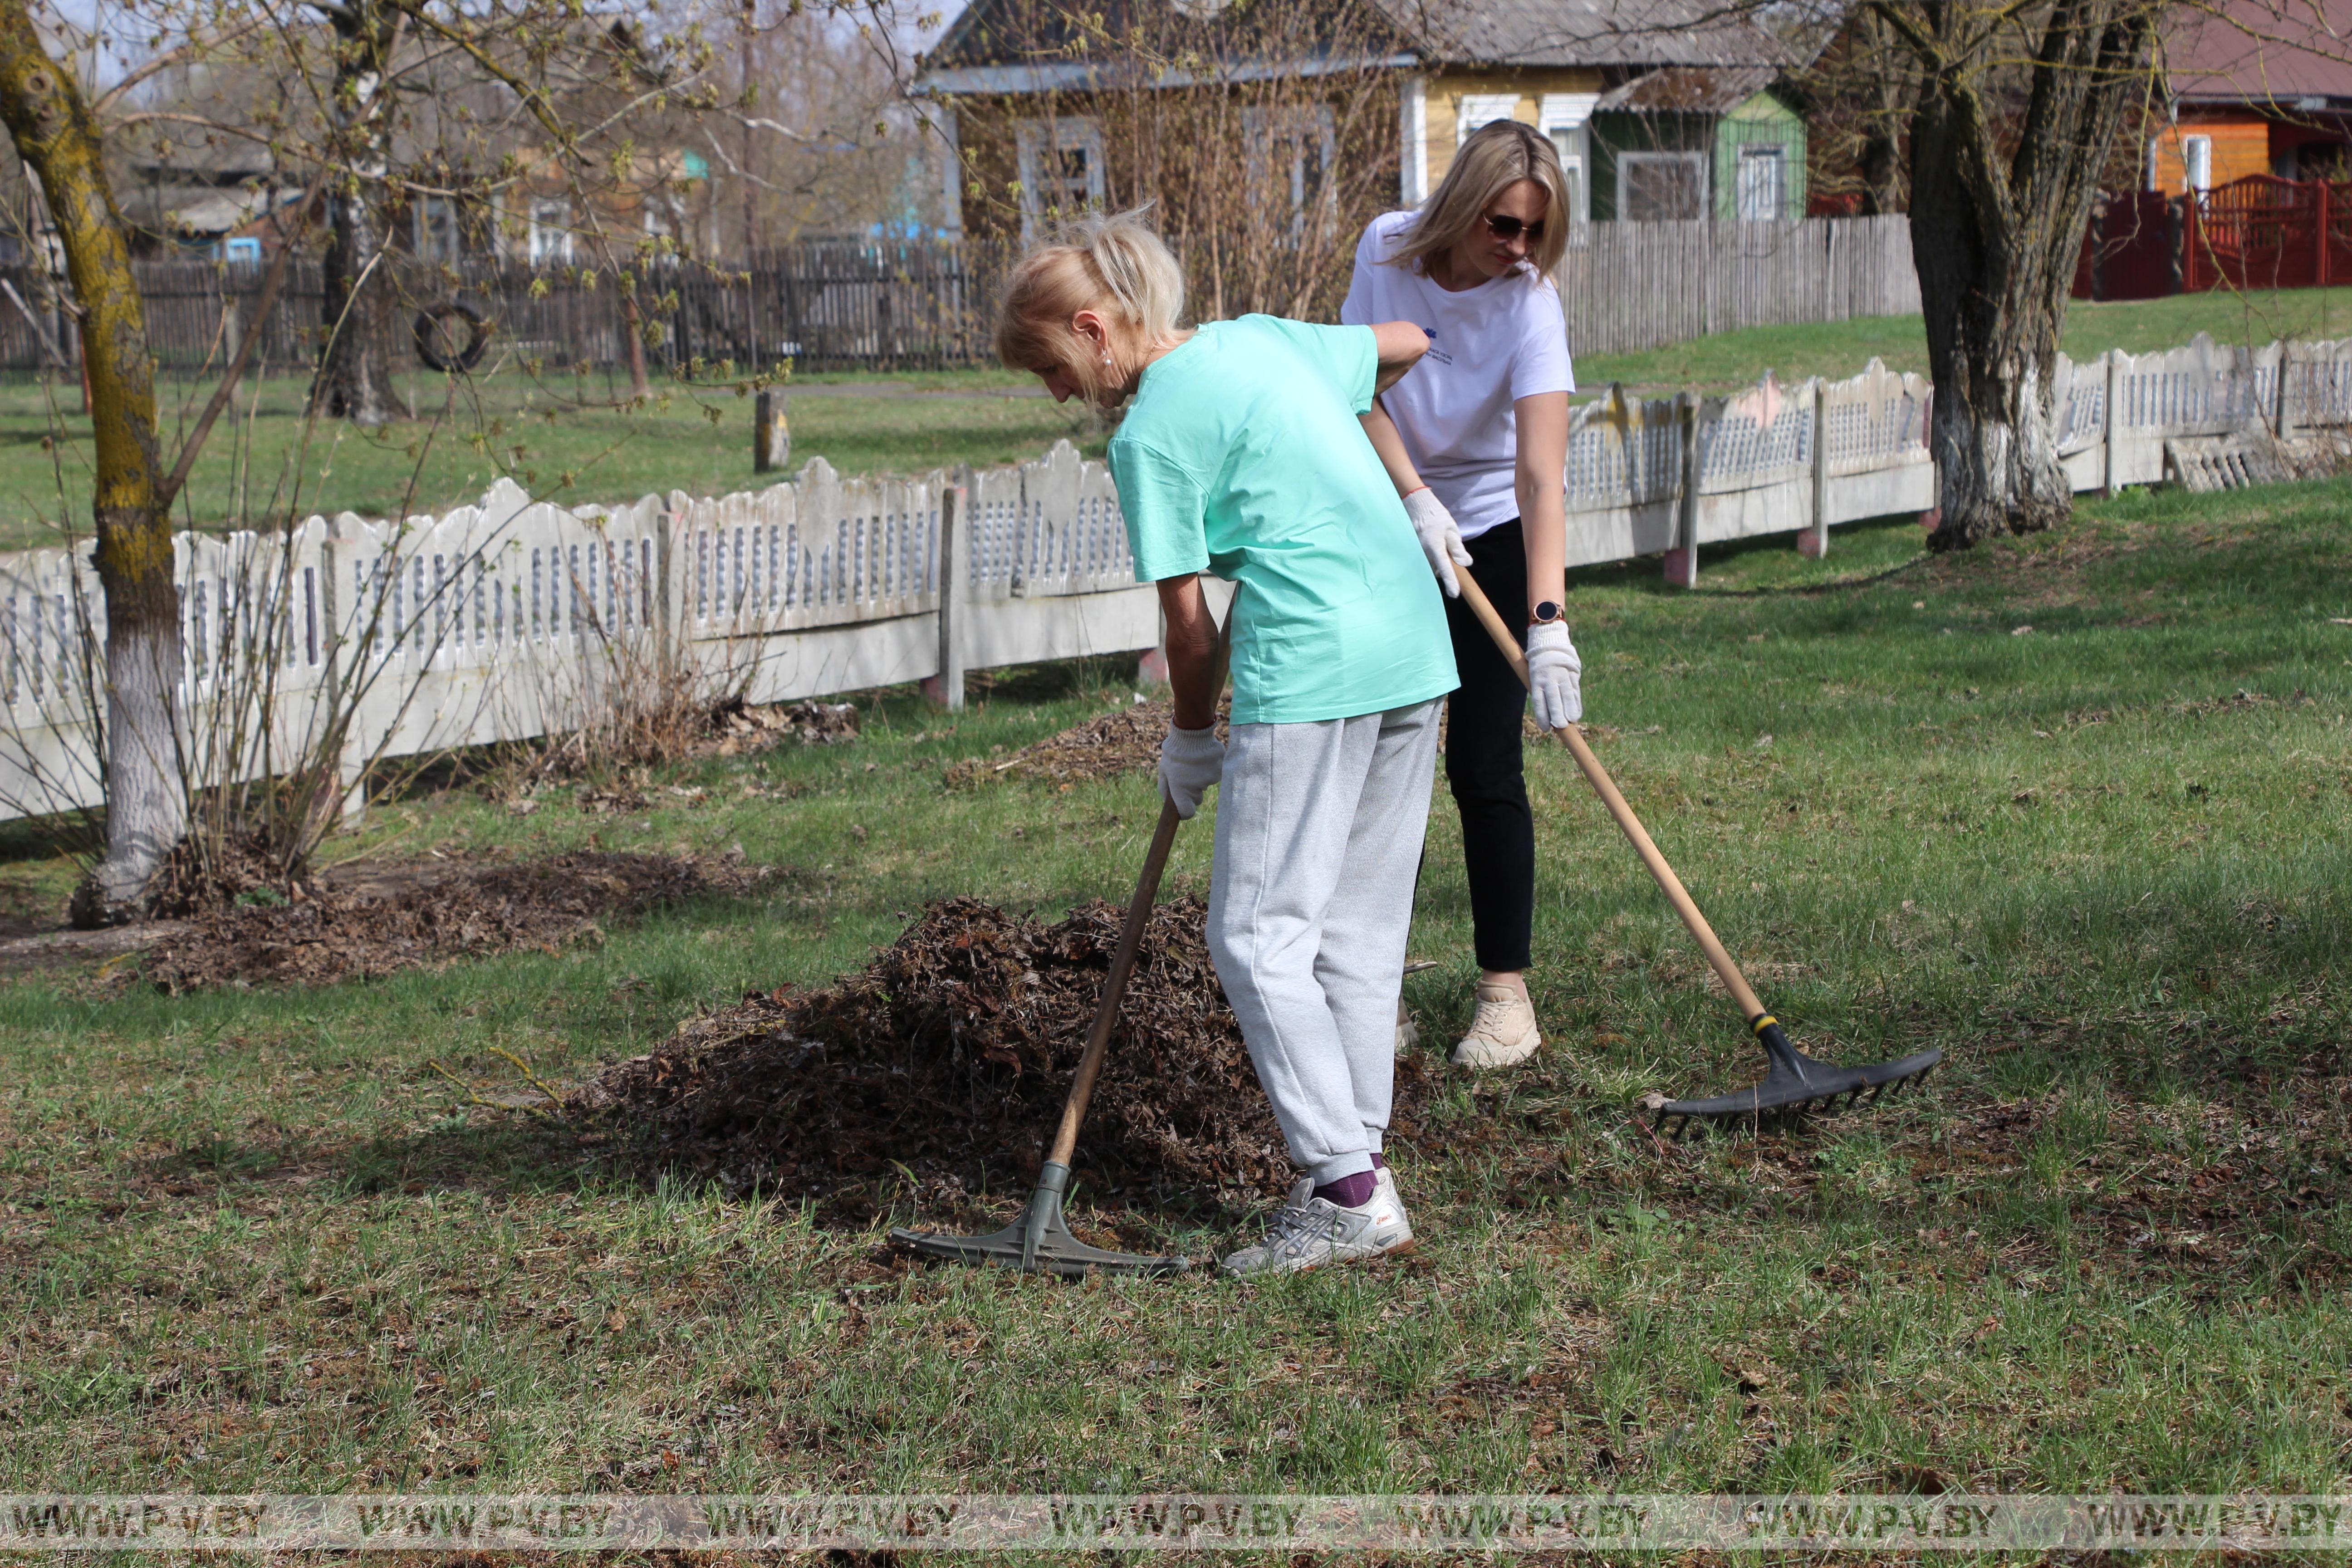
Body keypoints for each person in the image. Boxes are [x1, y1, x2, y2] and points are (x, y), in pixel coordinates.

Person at [995, 208, 1456, 1278]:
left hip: (1317, 667)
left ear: (1095, 326)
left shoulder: (1149, 434)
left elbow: (1188, 624)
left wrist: (1191, 738)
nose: (1058, 394)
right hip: (1412, 644)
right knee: (1358, 925)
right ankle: (1361, 1167)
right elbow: (1407, 346)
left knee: (1255, 934)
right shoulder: (1260, 338)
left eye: (1054, 369)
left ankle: (1345, 1196)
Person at [1342, 118, 1582, 1071]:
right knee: (1371, 759)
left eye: (1535, 231)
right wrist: (1410, 498)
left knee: (1485, 764)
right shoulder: (1386, 248)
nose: (1517, 248)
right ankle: (1372, 981)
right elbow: (1356, 386)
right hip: (1389, 511)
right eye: (1502, 225)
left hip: (1492, 525)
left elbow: (1541, 478)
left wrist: (1549, 624)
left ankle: (1505, 997)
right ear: (1462, 204)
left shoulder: (1532, 305)